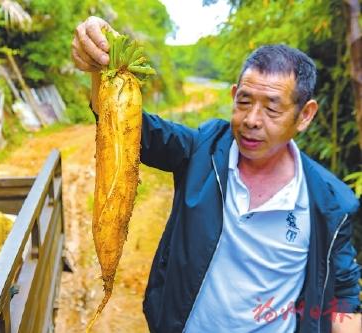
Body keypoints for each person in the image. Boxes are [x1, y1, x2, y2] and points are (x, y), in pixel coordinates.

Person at [72, 16, 361, 333]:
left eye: (272, 109)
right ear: (234, 94)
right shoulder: (202, 151)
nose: (252, 120)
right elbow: (135, 130)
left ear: (305, 115)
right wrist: (101, 68)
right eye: (245, 102)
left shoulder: (330, 203)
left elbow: (344, 293)